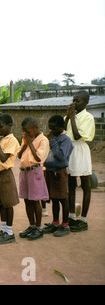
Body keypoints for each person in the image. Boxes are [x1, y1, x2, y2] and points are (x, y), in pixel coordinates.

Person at [64, 91, 95, 232]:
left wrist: (72, 118)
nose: (74, 103)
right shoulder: (70, 116)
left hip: (80, 150)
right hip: (70, 150)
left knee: (85, 184)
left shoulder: (88, 117)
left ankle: (83, 219)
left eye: (78, 101)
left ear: (86, 102)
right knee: (70, 183)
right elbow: (64, 131)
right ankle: (71, 216)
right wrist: (68, 117)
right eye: (73, 100)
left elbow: (77, 136)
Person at [0, 114, 20, 244]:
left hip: (5, 175)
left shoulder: (12, 141)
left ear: (9, 125)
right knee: (1, 204)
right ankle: (3, 229)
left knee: (8, 204)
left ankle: (10, 232)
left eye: (1, 127)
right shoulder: (0, 140)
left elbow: (3, 158)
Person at [17, 116, 50, 241]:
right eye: (24, 131)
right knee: (26, 199)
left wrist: (30, 143)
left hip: (35, 171)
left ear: (35, 128)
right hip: (24, 171)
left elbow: (38, 158)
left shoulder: (43, 140)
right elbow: (19, 155)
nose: (25, 133)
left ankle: (38, 227)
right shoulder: (25, 139)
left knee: (35, 200)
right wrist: (26, 143)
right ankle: (31, 225)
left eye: (28, 130)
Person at [42, 115, 74, 237]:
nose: (51, 131)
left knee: (63, 199)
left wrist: (52, 141)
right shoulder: (52, 138)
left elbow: (61, 156)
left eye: (54, 128)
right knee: (54, 199)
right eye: (50, 128)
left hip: (59, 172)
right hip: (50, 171)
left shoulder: (65, 139)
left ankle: (65, 224)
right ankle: (55, 223)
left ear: (61, 127)